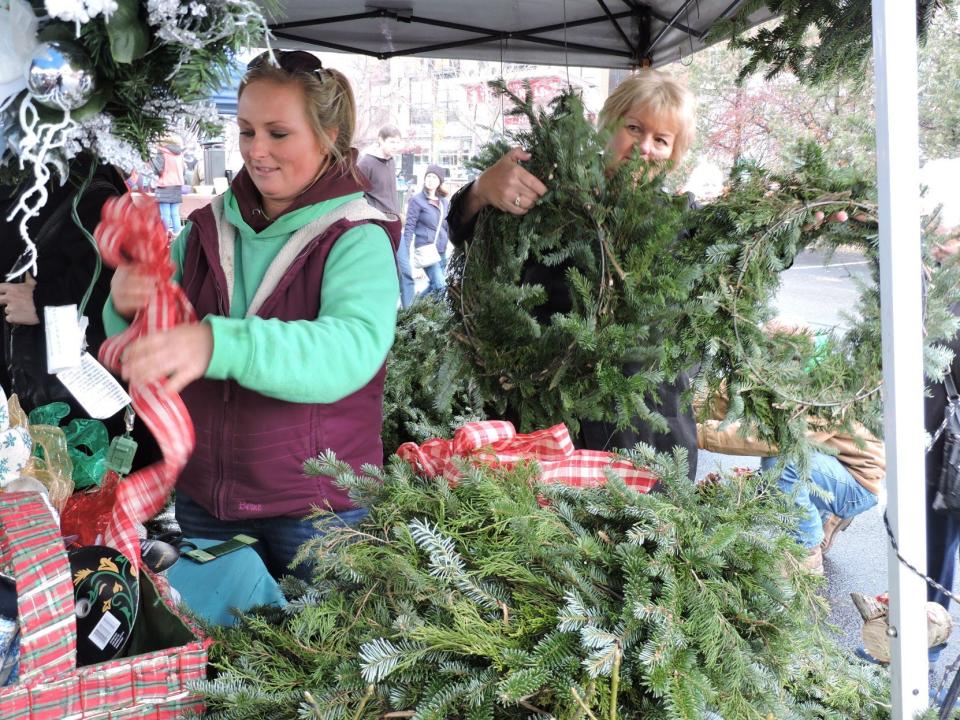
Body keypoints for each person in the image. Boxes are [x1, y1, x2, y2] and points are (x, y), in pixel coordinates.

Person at [104, 49, 401, 581]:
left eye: (277, 133)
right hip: (206, 503)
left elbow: (348, 350)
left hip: (319, 511)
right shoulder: (205, 227)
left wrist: (216, 344)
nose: (256, 151)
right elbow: (140, 340)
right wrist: (128, 302)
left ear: (328, 135)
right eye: (245, 131)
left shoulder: (356, 235)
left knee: (316, 658)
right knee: (216, 654)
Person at [446, 69, 699, 478]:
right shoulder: (551, 201)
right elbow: (465, 230)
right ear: (607, 127)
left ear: (675, 152)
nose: (645, 148)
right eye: (634, 128)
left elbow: (745, 257)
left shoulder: (685, 224)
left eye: (662, 139)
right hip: (552, 425)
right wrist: (479, 190)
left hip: (652, 435)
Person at [696, 394, 884, 574]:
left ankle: (806, 551)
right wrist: (691, 408)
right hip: (833, 458)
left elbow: (781, 438)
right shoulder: (795, 366)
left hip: (858, 482)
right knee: (778, 472)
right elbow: (740, 395)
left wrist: (700, 434)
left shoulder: (830, 389)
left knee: (782, 462)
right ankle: (825, 515)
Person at [0, 155, 126, 418]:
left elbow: (118, 284)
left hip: (56, 395)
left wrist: (43, 302)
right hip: (19, 383)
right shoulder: (16, 172)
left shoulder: (84, 186)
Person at [403, 164, 449, 299]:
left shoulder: (444, 203)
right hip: (426, 248)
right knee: (441, 286)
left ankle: (414, 308)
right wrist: (405, 253)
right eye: (428, 176)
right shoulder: (417, 201)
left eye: (434, 177)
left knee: (435, 286)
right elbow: (409, 227)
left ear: (439, 182)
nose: (430, 179)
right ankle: (426, 314)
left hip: (441, 250)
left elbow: (446, 226)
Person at [153, 134, 186, 237]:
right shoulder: (180, 154)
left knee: (165, 214)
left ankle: (163, 235)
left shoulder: (162, 153)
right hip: (177, 186)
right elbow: (183, 171)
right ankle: (177, 234)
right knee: (175, 213)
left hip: (164, 186)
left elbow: (158, 169)